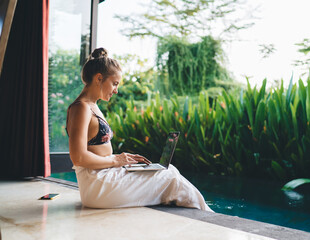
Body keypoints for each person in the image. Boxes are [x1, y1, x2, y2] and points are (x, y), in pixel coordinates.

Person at [66, 48, 213, 211]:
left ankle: (202, 213)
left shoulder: (91, 106)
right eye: (114, 83)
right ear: (99, 78)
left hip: (103, 178)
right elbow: (78, 157)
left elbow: (95, 150)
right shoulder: (81, 108)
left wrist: (121, 159)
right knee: (170, 177)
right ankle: (209, 217)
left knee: (169, 170)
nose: (116, 90)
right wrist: (116, 161)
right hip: (97, 185)